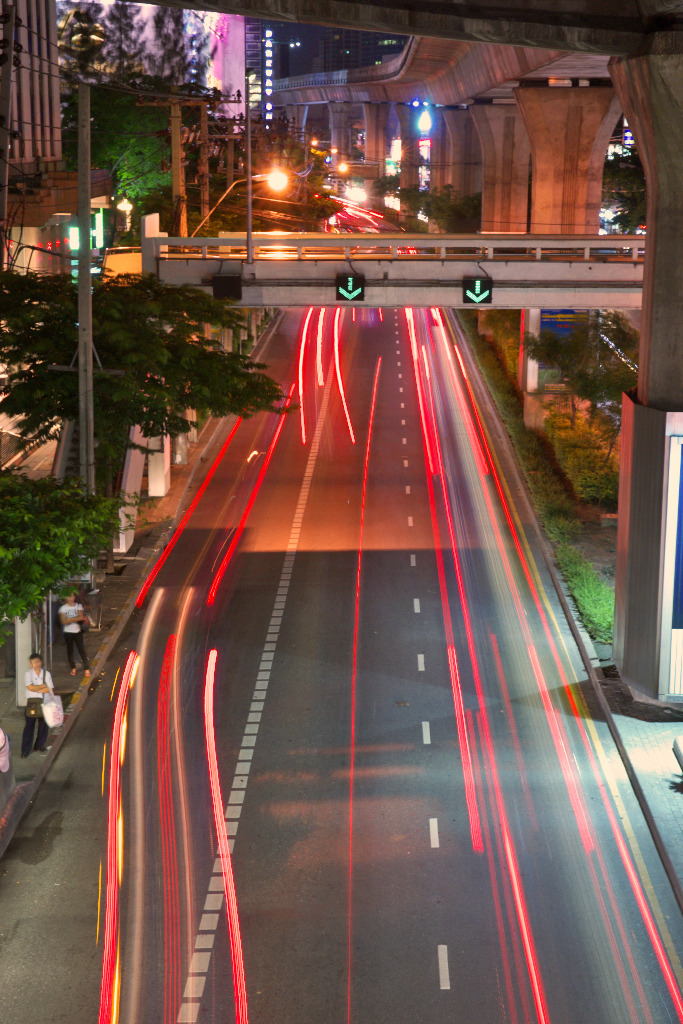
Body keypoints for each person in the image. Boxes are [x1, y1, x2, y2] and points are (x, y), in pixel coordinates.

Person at [22, 653, 54, 757]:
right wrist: (43, 686)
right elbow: (29, 687)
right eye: (34, 662)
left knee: (43, 726)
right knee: (29, 727)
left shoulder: (46, 674)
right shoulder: (28, 673)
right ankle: (25, 750)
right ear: (30, 664)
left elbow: (49, 689)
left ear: (41, 662)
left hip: (45, 703)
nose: (36, 664)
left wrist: (37, 687)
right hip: (32, 704)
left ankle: (40, 745)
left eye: (38, 662)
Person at [58, 591, 91, 677]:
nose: (70, 598)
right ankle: (73, 668)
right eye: (68, 596)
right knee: (70, 650)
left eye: (72, 596)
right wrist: (75, 619)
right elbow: (63, 621)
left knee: (81, 650)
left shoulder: (78, 606)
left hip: (77, 631)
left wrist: (69, 619)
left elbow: (80, 617)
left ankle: (86, 669)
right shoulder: (63, 608)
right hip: (68, 632)